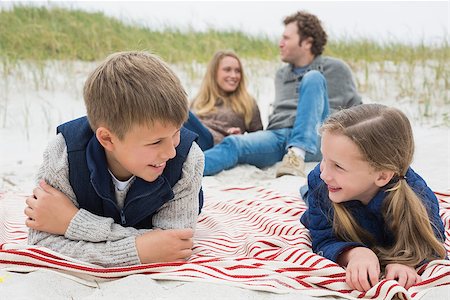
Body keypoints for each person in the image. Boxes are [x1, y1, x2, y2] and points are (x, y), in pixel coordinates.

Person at [24, 51, 205, 267]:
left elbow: (174, 246)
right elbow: (41, 244)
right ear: (107, 139)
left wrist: (72, 222)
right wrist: (140, 250)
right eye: (156, 142)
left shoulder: (187, 159)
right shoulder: (63, 156)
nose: (171, 152)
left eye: (176, 132)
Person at [300, 104, 446, 292]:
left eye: (338, 166)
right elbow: (323, 238)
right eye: (324, 159)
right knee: (309, 197)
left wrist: (406, 263)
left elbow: (432, 244)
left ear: (382, 176)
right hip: (330, 194)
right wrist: (355, 253)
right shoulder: (320, 182)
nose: (325, 174)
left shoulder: (417, 196)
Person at [203, 11, 362, 177]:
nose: (280, 43)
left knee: (313, 78)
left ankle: (297, 154)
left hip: (317, 137)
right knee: (233, 144)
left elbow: (358, 113)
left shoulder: (336, 69)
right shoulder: (281, 75)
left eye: (286, 38)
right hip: (278, 136)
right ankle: (182, 172)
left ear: (307, 42)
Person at [184, 50, 263, 151]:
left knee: (179, 110)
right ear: (214, 73)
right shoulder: (199, 100)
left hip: (213, 143)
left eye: (238, 71)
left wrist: (241, 139)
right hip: (189, 140)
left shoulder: (247, 103)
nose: (234, 76)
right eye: (227, 70)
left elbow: (259, 139)